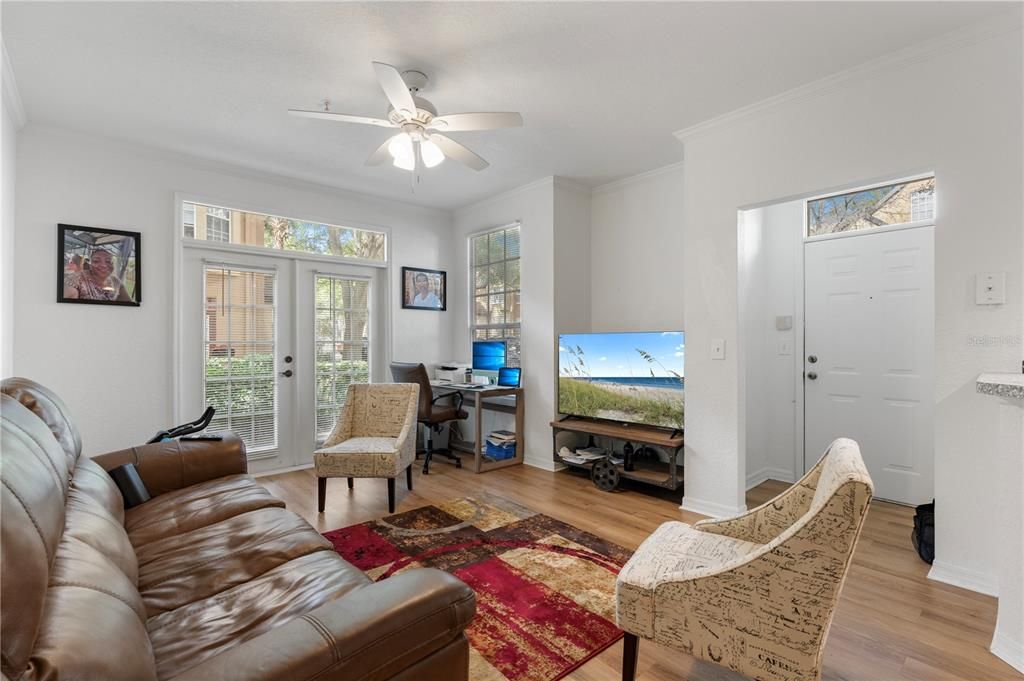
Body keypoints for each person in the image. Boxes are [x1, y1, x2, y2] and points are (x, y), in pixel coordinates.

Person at [63, 248, 132, 302]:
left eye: (108, 261)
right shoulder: (76, 279)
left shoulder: (115, 281)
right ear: (90, 265)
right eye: (96, 261)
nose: (103, 265)